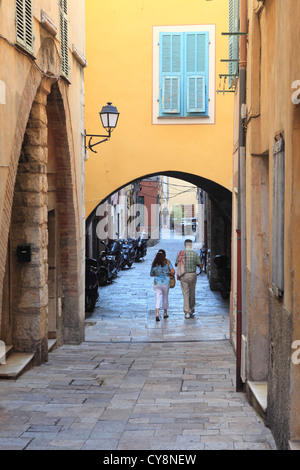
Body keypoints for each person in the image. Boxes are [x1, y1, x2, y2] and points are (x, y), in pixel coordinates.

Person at [175, 239, 201, 319]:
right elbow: (201, 265)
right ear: (191, 245)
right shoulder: (195, 254)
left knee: (185, 293)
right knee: (192, 292)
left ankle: (187, 312)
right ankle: (192, 310)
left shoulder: (180, 254)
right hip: (193, 274)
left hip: (184, 275)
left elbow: (176, 264)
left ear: (185, 245)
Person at [150, 249, 175, 321]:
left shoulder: (154, 263)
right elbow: (173, 271)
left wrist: (157, 273)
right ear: (164, 255)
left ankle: (157, 314)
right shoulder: (167, 262)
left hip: (157, 282)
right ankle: (165, 313)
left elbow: (151, 274)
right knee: (165, 297)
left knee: (158, 298)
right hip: (166, 282)